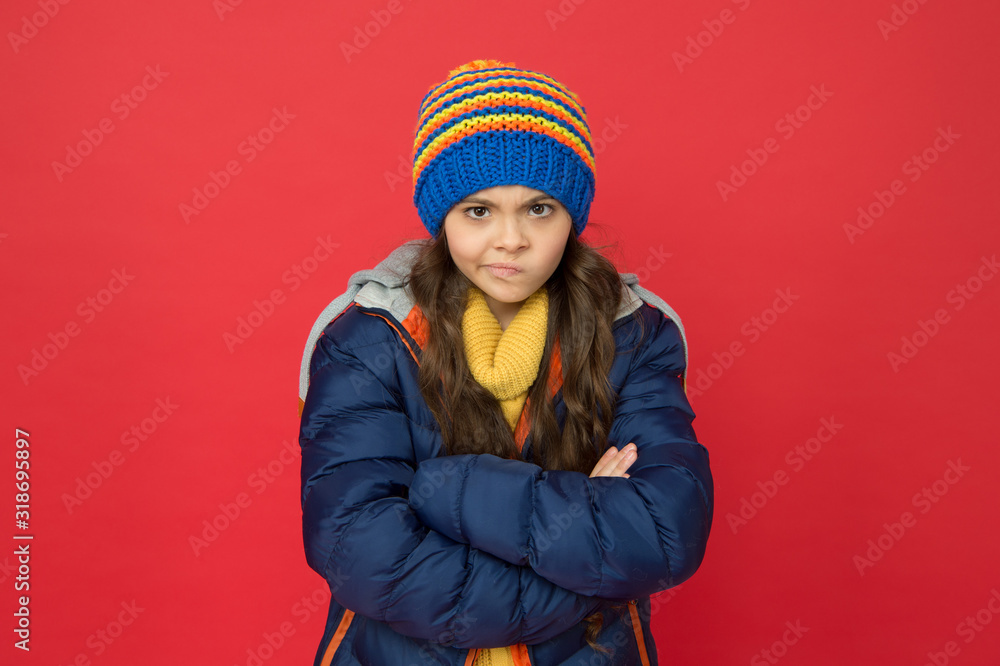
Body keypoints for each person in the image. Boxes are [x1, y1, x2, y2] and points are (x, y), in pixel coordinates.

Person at [297, 59, 713, 666]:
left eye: (539, 208)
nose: (512, 239)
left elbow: (664, 534)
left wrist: (447, 488)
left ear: (573, 213)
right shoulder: (368, 336)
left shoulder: (635, 332)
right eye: (479, 211)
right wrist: (584, 532)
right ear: (441, 216)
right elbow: (360, 553)